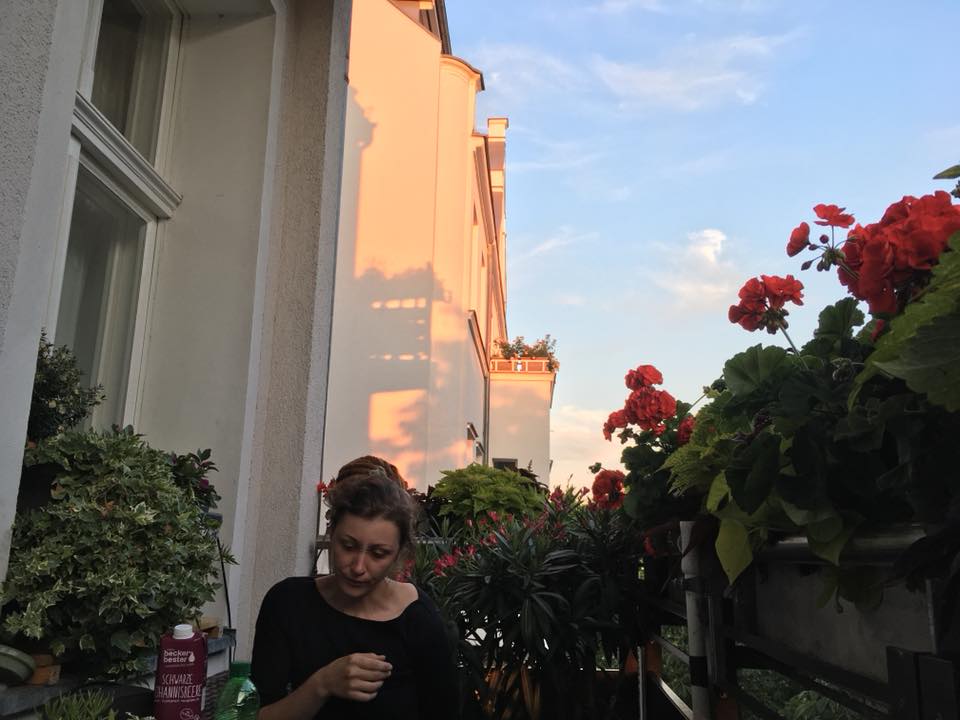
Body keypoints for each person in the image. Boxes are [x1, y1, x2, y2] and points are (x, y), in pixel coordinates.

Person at [250, 456, 458, 719]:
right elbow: (260, 715)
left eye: (378, 553)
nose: (358, 566)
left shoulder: (418, 618)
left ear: (399, 554)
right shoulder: (288, 603)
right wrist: (322, 684)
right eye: (348, 546)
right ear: (331, 534)